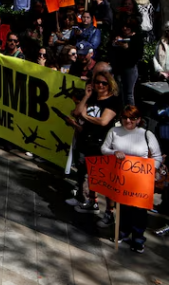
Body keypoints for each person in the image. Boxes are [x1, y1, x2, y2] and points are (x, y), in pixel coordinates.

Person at [101, 105, 162, 252]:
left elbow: (157, 157)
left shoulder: (147, 135)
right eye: (125, 118)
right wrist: (114, 152)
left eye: (132, 118)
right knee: (122, 208)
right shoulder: (114, 132)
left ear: (138, 119)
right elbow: (104, 149)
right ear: (121, 118)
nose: (128, 121)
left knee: (139, 211)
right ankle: (122, 233)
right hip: (120, 178)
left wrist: (150, 167)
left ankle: (138, 239)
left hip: (140, 181)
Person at [65, 71, 121, 213]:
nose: (100, 85)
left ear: (110, 84)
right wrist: (87, 96)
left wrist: (85, 116)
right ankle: (88, 200)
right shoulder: (92, 98)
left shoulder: (113, 101)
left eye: (104, 83)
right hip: (85, 139)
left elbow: (103, 121)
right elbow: (77, 112)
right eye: (97, 82)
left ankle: (104, 209)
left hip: (100, 142)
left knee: (97, 176)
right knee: (83, 171)